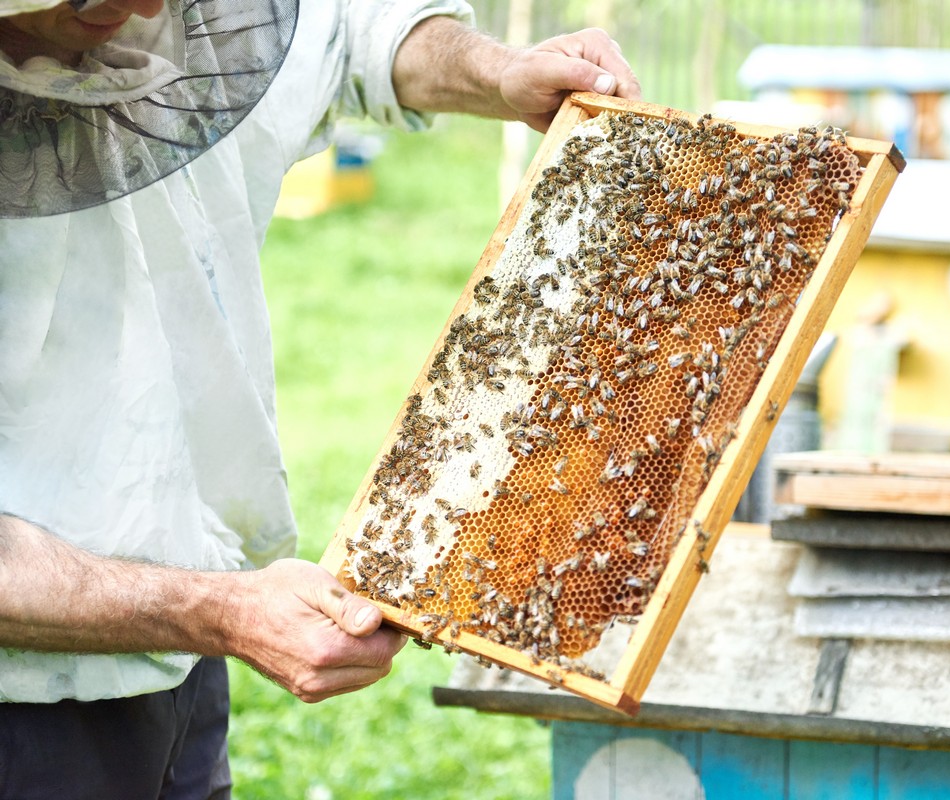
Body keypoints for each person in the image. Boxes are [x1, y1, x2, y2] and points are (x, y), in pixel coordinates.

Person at [0, 0, 640, 796]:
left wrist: (498, 72)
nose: (142, 8)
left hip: (185, 655)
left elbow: (347, 36)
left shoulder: (195, 19)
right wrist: (217, 610)